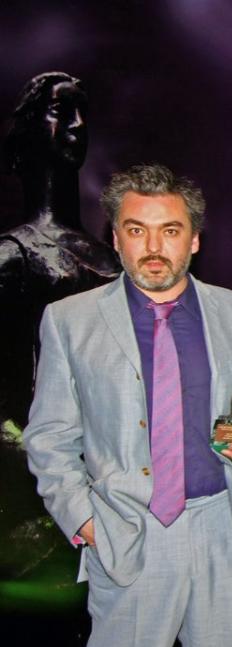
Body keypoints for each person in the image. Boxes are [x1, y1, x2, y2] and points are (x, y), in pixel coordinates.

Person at [23, 163, 232, 647]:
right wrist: (88, 522)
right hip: (127, 532)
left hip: (222, 528)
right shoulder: (69, 320)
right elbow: (48, 436)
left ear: (193, 240)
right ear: (115, 237)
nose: (153, 245)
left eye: (169, 230)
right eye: (136, 229)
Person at [1, 71, 119, 428]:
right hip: (41, 457)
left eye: (82, 112)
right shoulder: (12, 254)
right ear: (29, 128)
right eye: (60, 110)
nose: (78, 125)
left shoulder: (114, 258)